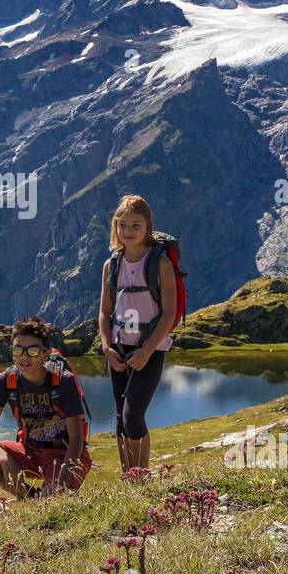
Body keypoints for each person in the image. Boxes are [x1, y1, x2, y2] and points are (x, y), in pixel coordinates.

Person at [0, 317, 91, 498]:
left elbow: (76, 439)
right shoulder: (6, 380)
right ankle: (28, 496)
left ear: (45, 353)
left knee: (54, 498)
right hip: (29, 452)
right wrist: (4, 459)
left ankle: (48, 494)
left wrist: (62, 480)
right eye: (18, 350)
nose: (24, 357)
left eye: (33, 350)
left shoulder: (63, 380)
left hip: (65, 455)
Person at [98, 195, 176, 472]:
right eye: (122, 225)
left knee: (133, 416)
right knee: (120, 419)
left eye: (135, 225)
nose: (128, 232)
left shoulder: (160, 264)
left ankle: (141, 476)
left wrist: (146, 351)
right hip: (118, 349)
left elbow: (169, 312)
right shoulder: (111, 266)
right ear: (115, 227)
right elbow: (105, 313)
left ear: (148, 227)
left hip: (149, 349)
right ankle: (127, 477)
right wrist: (107, 348)